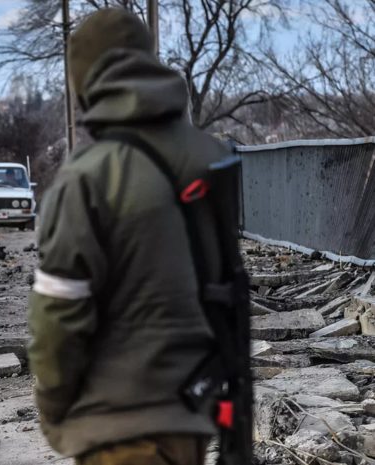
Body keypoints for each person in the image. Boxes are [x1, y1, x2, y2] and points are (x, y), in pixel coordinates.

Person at [27, 8, 233, 465]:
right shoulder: (212, 155)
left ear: (83, 78)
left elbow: (58, 315)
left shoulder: (88, 174)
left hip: (117, 429)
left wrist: (55, 407)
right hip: (191, 416)